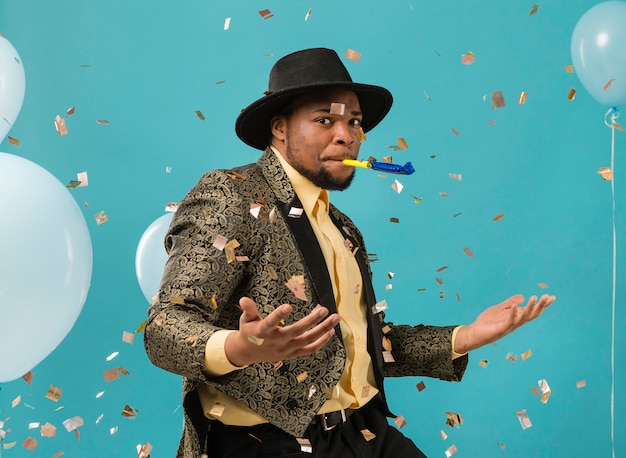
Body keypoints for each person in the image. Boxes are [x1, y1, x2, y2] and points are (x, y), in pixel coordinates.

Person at [144, 48, 555, 458]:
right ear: (279, 128)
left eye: (354, 122)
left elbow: (356, 342)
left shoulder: (339, 226)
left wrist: (464, 337)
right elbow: (164, 328)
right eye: (325, 119)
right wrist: (239, 347)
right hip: (265, 443)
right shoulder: (229, 195)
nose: (347, 135)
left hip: (360, 433)